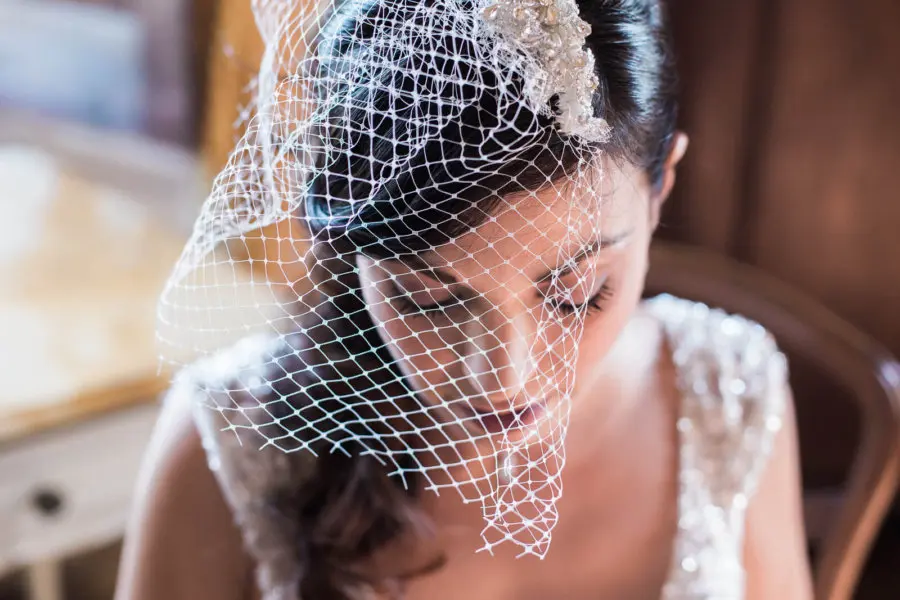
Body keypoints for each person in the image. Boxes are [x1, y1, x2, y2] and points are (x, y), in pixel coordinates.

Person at [116, 0, 814, 598]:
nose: (505, 376)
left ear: (661, 189)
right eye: (426, 300)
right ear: (353, 246)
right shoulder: (227, 448)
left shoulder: (729, 393)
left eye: (577, 294)